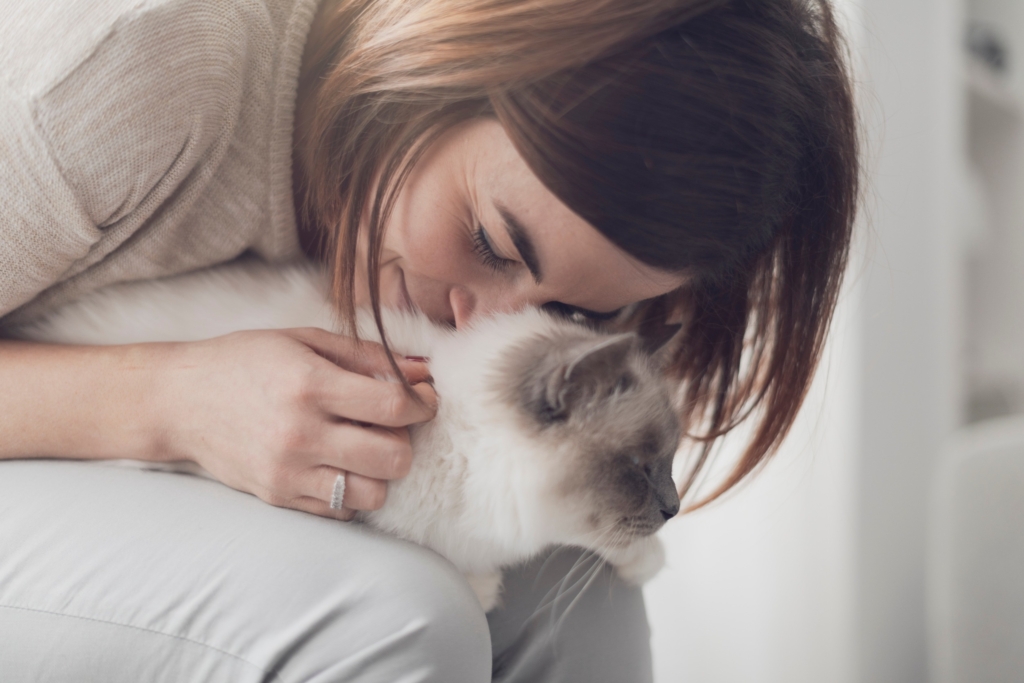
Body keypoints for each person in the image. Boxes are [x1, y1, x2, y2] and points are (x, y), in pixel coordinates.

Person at [0, 0, 858, 680]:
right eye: (491, 242)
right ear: (442, 51)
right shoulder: (144, 63)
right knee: (394, 618)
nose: (482, 324)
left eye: (578, 312)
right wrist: (170, 400)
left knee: (580, 601)